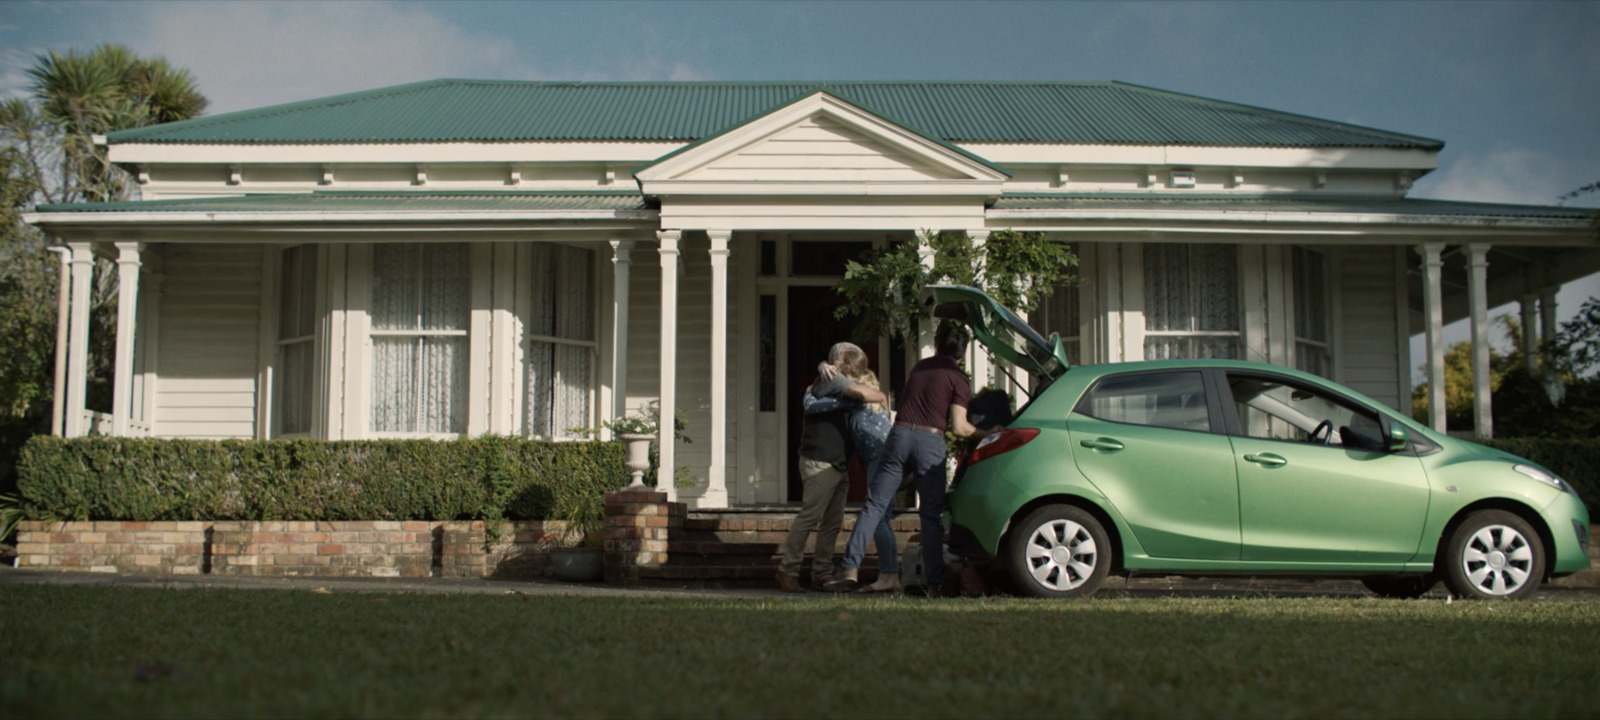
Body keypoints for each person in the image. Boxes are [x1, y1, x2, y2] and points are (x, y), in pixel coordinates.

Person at [826, 322, 988, 596]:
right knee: (930, 516)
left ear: (938, 345)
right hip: (929, 441)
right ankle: (935, 584)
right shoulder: (958, 378)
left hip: (900, 435)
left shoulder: (920, 368)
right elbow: (960, 428)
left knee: (875, 505)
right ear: (963, 351)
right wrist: (987, 434)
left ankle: (850, 568)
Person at [776, 342, 888, 593]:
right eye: (847, 363)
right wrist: (880, 396)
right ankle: (787, 570)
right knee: (810, 517)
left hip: (838, 462)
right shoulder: (830, 378)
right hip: (819, 459)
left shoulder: (837, 380)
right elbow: (862, 395)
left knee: (832, 522)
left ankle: (821, 573)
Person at [805, 343, 901, 594]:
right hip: (883, 459)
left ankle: (871, 572)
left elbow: (811, 402)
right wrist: (822, 367)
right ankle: (889, 575)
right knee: (882, 518)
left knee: (877, 517)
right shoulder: (857, 385)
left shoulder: (847, 386)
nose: (830, 362)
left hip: (882, 460)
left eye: (833, 359)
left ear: (843, 365)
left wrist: (826, 370)